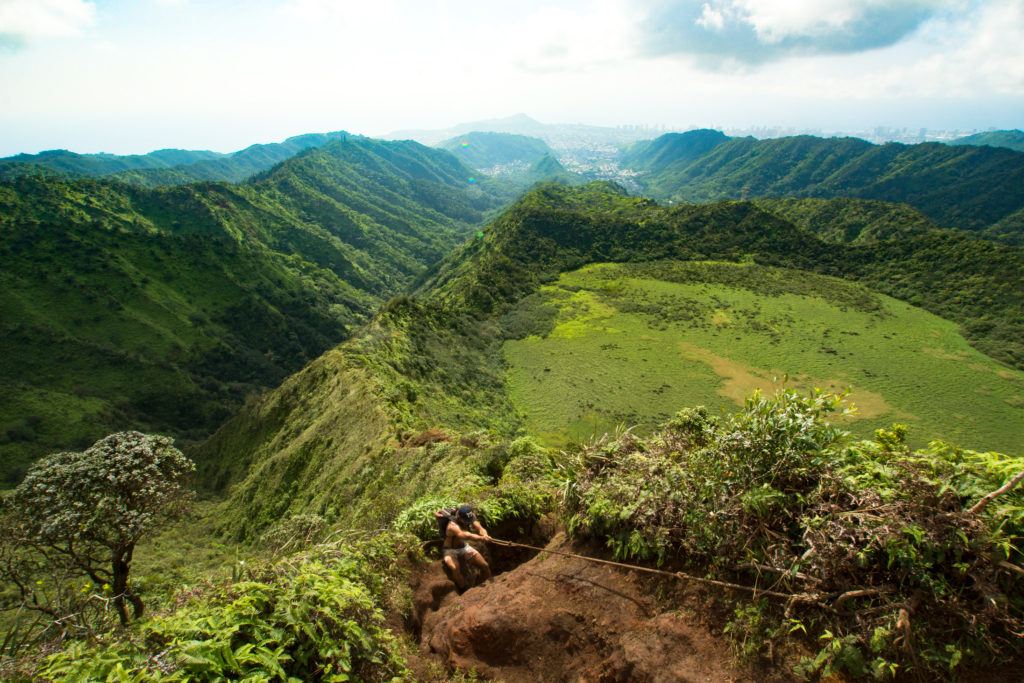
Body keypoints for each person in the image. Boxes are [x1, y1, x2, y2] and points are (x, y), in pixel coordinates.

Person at [435, 504, 492, 591]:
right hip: (450, 550)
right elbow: (465, 535)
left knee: (484, 565)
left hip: (463, 547)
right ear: (459, 517)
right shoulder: (452, 525)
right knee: (454, 568)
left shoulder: (470, 516)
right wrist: (481, 538)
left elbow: (479, 527)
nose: (468, 522)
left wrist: (485, 535)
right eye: (466, 521)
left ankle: (491, 585)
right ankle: (464, 590)